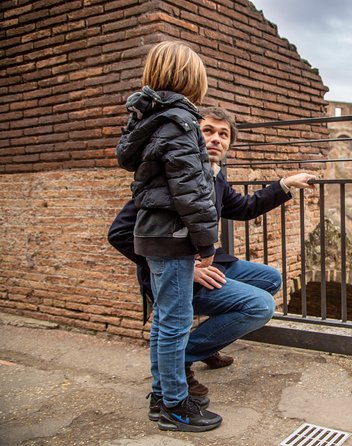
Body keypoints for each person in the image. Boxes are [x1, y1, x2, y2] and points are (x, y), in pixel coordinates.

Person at [109, 106, 316, 425]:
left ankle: (205, 343)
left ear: (230, 143)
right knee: (260, 306)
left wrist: (285, 183)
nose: (216, 139)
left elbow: (245, 207)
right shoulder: (173, 174)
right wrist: (188, 268)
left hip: (210, 263)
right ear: (194, 133)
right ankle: (183, 358)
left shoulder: (215, 176)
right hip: (175, 272)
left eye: (224, 134)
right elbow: (120, 232)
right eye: (208, 131)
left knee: (270, 279)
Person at [114, 41, 222, 432]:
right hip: (173, 235)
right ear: (192, 77)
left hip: (151, 232)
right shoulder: (181, 121)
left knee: (164, 321)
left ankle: (162, 396)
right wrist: (206, 243)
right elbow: (191, 190)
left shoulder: (151, 119)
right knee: (175, 324)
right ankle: (176, 407)